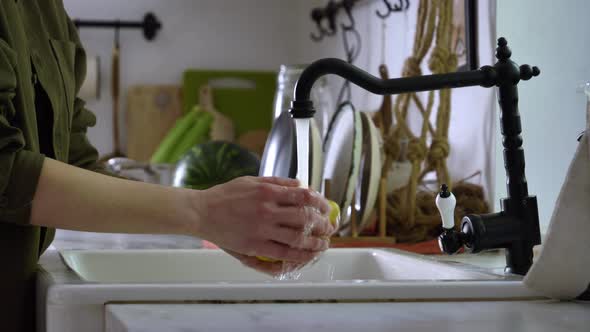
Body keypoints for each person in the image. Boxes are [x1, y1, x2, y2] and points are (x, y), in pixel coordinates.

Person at [0, 1, 334, 330]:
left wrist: (218, 220)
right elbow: (5, 170)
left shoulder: (48, 11)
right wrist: (203, 212)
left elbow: (75, 163)